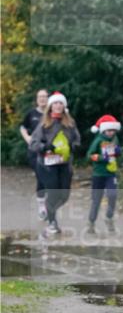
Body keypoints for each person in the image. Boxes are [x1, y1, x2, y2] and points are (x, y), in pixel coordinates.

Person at [28, 92, 80, 239]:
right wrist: (45, 147)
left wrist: (73, 146)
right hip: (47, 164)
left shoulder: (69, 123)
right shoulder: (44, 123)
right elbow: (33, 143)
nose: (58, 106)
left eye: (60, 103)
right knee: (53, 192)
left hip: (64, 163)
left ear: (64, 106)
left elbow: (77, 139)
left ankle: (49, 209)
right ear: (51, 106)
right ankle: (52, 222)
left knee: (64, 195)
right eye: (55, 103)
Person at [86, 114, 121, 236]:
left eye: (113, 130)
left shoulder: (115, 139)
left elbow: (117, 153)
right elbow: (89, 155)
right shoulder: (98, 140)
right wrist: (102, 157)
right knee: (96, 200)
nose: (111, 133)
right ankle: (91, 223)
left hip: (111, 174)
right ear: (103, 130)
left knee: (113, 196)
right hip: (98, 174)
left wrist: (118, 152)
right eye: (109, 130)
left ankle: (109, 218)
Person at [20, 88, 49, 219]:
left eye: (44, 96)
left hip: (49, 150)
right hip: (34, 151)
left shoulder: (52, 113)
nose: (42, 99)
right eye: (40, 97)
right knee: (41, 175)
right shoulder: (31, 114)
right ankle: (42, 207)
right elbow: (22, 127)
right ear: (37, 99)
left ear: (48, 98)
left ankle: (47, 202)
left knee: (50, 177)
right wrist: (27, 139)